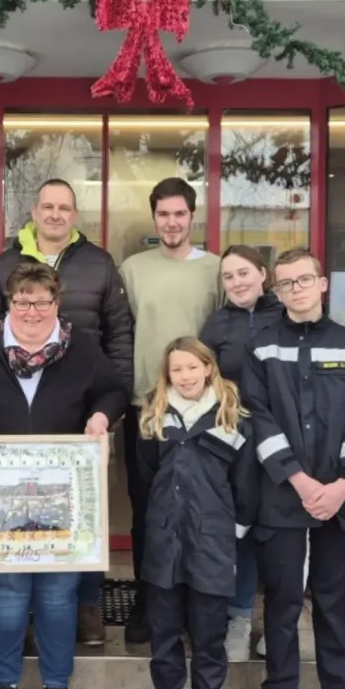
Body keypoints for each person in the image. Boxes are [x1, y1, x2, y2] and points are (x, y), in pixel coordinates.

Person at [0, 262, 127, 689]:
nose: (30, 310)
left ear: (56, 303)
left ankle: (56, 686)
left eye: (41, 301)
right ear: (8, 303)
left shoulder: (80, 347)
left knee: (57, 596)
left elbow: (112, 390)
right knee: (4, 598)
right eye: (20, 300)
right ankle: (2, 685)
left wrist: (101, 418)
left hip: (61, 492)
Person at [0, 178, 134, 646]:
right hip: (15, 409)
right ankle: (20, 612)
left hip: (83, 413)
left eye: (64, 207)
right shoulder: (6, 263)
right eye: (47, 206)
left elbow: (119, 334)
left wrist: (116, 399)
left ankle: (86, 605)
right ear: (34, 211)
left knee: (83, 510)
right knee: (19, 504)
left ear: (74, 215)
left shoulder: (99, 263)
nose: (55, 214)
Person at [243, 249, 345, 689]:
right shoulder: (260, 347)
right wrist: (298, 480)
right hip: (282, 496)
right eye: (285, 284)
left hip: (339, 500)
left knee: (331, 603)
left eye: (304, 280)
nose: (296, 289)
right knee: (280, 602)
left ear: (322, 284)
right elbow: (259, 418)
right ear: (275, 291)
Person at [138, 338, 259, 689]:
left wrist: (237, 529)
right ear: (166, 374)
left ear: (208, 367)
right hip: (163, 540)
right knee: (165, 632)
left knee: (209, 636)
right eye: (176, 370)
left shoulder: (233, 415)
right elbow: (145, 472)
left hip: (212, 542)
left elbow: (245, 481)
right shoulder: (153, 413)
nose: (185, 376)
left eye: (192, 367)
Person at [118, 177, 221, 643]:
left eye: (180, 214)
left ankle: (196, 605)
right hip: (147, 406)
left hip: (204, 413)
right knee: (148, 509)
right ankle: (148, 601)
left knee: (201, 509)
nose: (172, 222)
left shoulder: (216, 269)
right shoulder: (133, 269)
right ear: (154, 217)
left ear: (192, 216)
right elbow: (122, 333)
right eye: (164, 214)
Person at [198, 244, 281, 662]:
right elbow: (202, 381)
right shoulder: (215, 325)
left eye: (244, 273)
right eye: (228, 276)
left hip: (284, 441)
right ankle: (240, 618)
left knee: (281, 535)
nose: (237, 282)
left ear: (263, 274)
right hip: (236, 441)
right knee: (243, 532)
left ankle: (279, 621)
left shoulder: (285, 316)